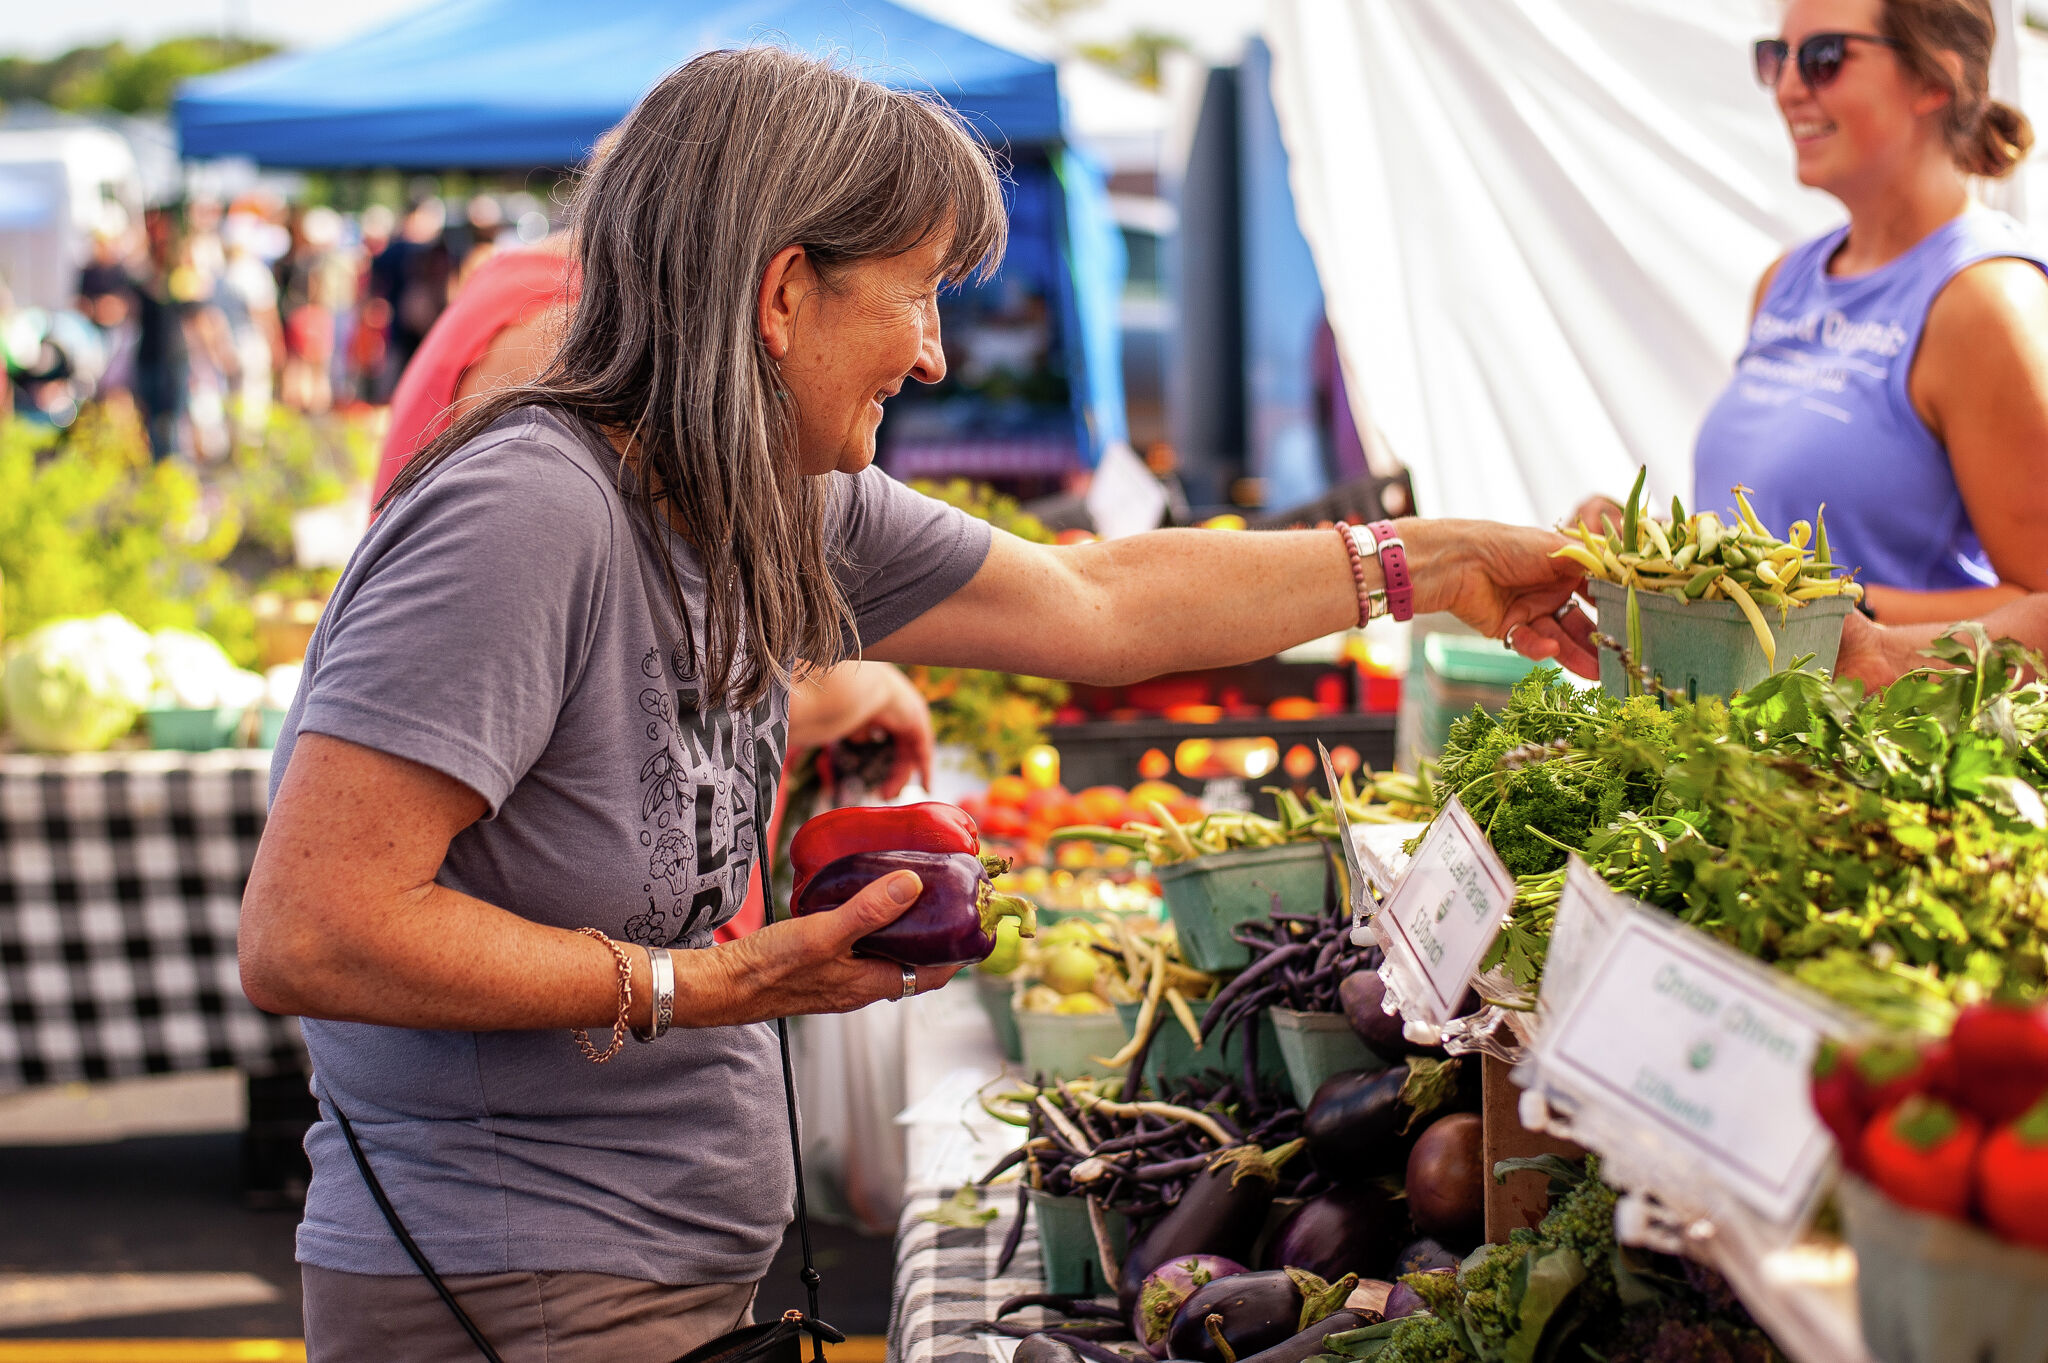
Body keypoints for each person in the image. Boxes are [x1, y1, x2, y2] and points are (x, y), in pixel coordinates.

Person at [239, 49, 1594, 1363]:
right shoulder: (524, 515)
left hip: (646, 1274)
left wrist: (1440, 562)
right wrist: (709, 982)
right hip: (505, 1292)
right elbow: (313, 928)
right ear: (784, 295)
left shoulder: (765, 497)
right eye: (917, 294)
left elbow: (1101, 599)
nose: (936, 354)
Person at [1689, 0, 2048, 624]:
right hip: (1730, 721)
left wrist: (1827, 615)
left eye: (1824, 58)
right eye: (1776, 58)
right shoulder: (1785, 280)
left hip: (1878, 721)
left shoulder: (1983, 302)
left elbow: (2040, 603)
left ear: (1935, 79)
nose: (1789, 88)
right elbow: (1757, 537)